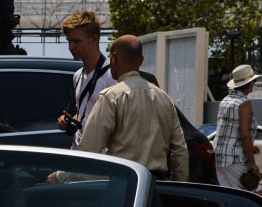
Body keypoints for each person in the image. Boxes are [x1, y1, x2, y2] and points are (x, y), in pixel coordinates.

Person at [68, 35, 188, 181]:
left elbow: (89, 149)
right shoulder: (163, 98)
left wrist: (62, 176)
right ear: (142, 60)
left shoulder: (111, 97)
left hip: (124, 183)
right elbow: (180, 151)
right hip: (158, 185)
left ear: (114, 58)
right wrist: (178, 186)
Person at [55, 10, 114, 149]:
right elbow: (85, 113)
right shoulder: (78, 75)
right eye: (69, 41)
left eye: (76, 41)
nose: (71, 47)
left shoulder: (111, 75)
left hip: (100, 159)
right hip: (79, 154)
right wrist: (69, 121)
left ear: (94, 39)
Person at [213, 64, 260, 190]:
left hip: (219, 155)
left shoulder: (225, 100)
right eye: (253, 81)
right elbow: (244, 135)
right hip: (235, 156)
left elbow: (228, 130)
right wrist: (253, 163)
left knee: (229, 194)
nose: (254, 83)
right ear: (248, 83)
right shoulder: (244, 103)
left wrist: (250, 147)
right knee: (254, 193)